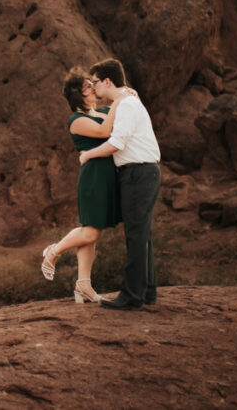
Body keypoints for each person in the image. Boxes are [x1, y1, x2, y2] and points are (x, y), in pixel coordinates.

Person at [79, 58, 161, 310]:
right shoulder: (127, 102)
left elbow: (117, 143)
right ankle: (146, 291)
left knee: (136, 235)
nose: (93, 88)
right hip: (143, 171)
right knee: (142, 234)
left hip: (138, 173)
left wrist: (88, 155)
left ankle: (131, 297)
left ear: (107, 81)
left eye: (95, 82)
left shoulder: (126, 105)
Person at [40, 67, 126, 304]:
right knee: (90, 231)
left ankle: (83, 285)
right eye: (88, 86)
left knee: (91, 233)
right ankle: (53, 251)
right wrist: (120, 100)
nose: (93, 88)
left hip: (108, 175)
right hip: (94, 176)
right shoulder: (76, 121)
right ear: (79, 94)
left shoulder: (104, 111)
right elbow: (104, 130)